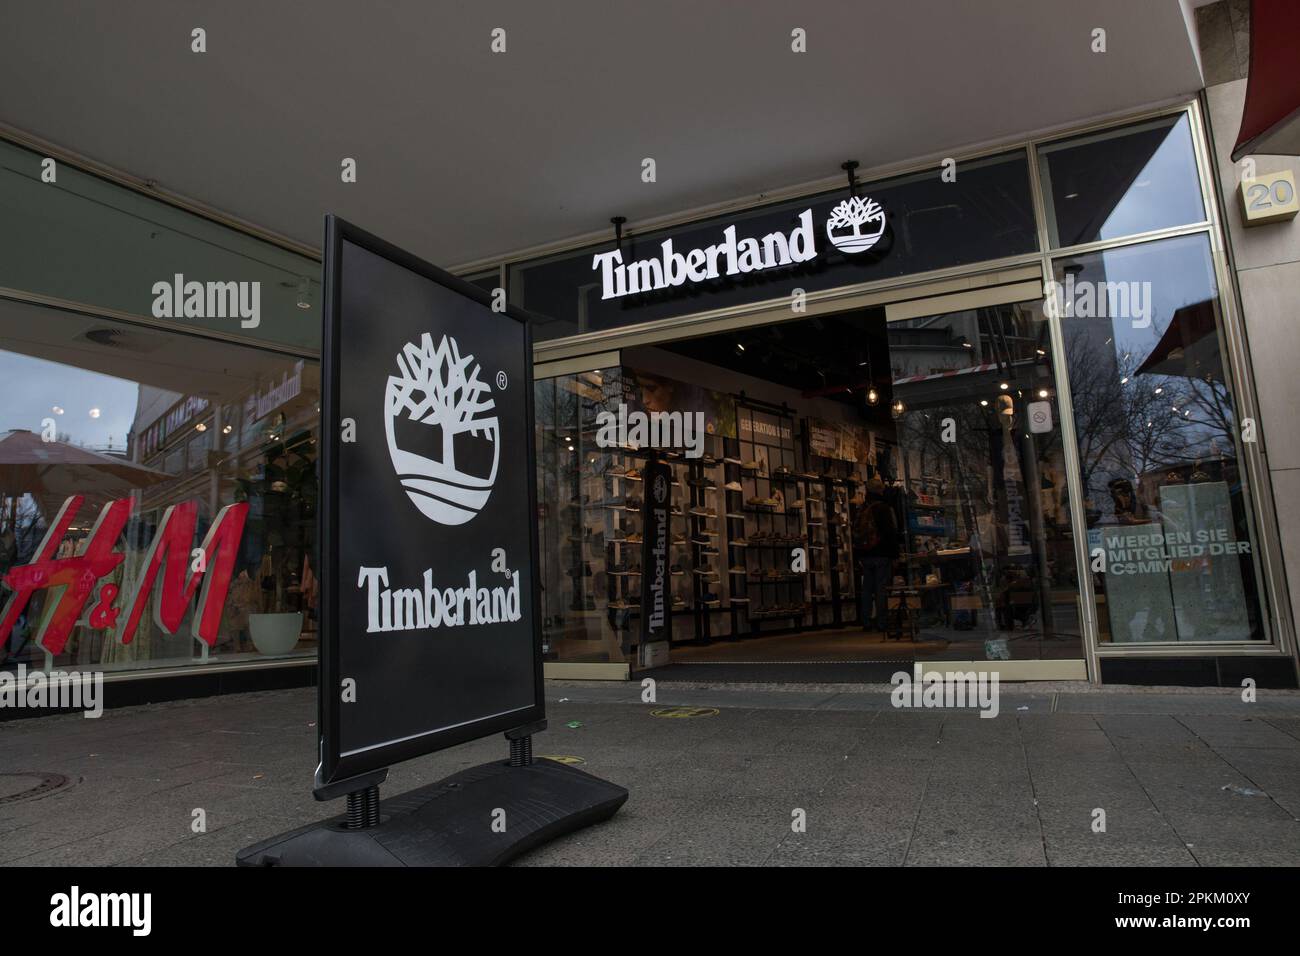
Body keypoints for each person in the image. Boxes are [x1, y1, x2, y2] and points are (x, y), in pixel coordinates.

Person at [853, 476, 899, 632]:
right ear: (880, 490)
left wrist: (858, 555)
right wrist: (895, 556)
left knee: (867, 589)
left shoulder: (863, 508)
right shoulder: (883, 508)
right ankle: (882, 622)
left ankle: (865, 621)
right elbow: (890, 533)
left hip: (865, 554)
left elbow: (857, 532)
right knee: (881, 589)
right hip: (882, 553)